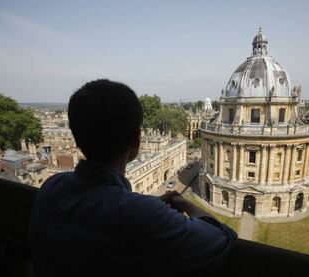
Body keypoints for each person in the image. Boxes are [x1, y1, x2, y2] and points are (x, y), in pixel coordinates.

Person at [29, 79, 237, 277]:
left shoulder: (50, 187)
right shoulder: (138, 214)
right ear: (137, 139)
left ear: (76, 138)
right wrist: (180, 202)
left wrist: (152, 205)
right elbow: (220, 239)